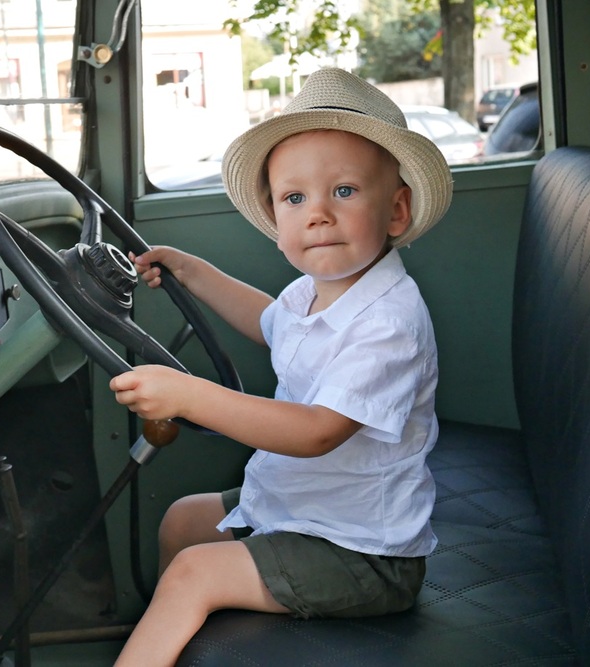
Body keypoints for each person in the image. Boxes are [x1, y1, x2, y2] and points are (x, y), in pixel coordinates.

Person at [109, 67, 453, 667]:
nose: (317, 214)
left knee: (194, 572)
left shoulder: (388, 322)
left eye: (344, 191)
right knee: (183, 522)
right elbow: (271, 322)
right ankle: (175, 643)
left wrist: (190, 395)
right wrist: (193, 272)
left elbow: (316, 431)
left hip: (364, 553)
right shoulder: (316, 289)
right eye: (295, 199)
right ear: (276, 219)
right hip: (303, 509)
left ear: (396, 211)